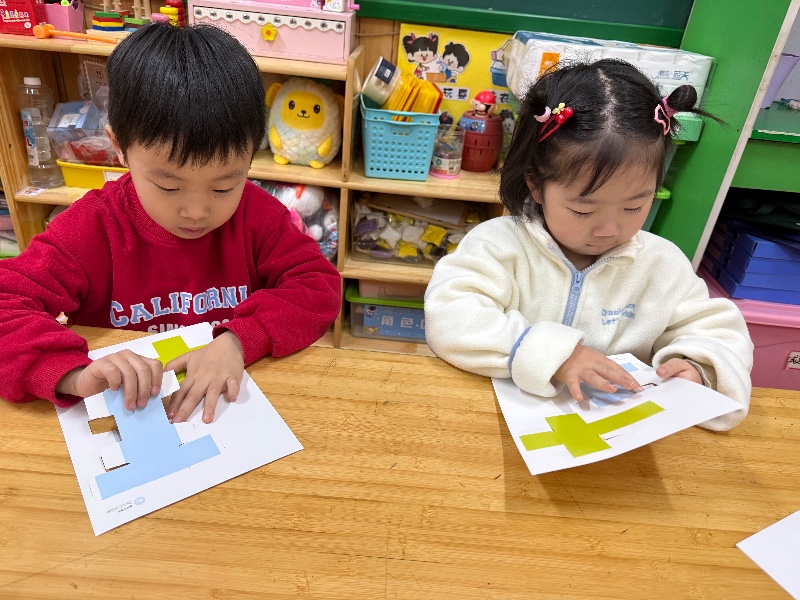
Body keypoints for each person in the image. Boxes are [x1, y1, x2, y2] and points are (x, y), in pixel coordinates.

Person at [0, 24, 341, 423]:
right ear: (119, 147)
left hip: (230, 408)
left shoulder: (258, 216)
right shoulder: (91, 227)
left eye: (223, 187)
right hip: (132, 412)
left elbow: (318, 286)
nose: (196, 211)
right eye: (168, 186)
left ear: (252, 155)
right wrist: (73, 375)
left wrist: (238, 340)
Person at [424, 59, 753, 431]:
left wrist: (697, 366)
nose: (609, 229)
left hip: (617, 439)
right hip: (496, 427)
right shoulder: (498, 246)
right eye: (583, 209)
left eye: (634, 206)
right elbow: (451, 316)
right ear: (536, 185)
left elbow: (718, 333)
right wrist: (556, 356)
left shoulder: (662, 265)